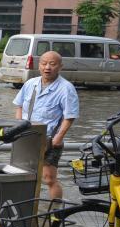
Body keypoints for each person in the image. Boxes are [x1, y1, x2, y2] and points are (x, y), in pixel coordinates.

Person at [13, 50, 79, 200]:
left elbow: (70, 117)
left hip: (50, 139)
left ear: (60, 67)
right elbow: (19, 106)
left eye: (52, 64)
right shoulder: (31, 83)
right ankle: (25, 207)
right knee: (21, 175)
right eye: (44, 63)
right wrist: (17, 126)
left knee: (49, 178)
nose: (47, 67)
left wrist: (57, 138)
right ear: (39, 65)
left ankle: (55, 211)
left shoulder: (66, 88)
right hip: (26, 137)